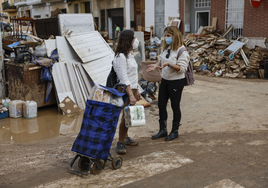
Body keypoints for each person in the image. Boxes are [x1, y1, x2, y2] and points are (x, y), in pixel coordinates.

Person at [146, 26, 190, 141]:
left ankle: (174, 131)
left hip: (176, 81)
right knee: (161, 105)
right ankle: (163, 130)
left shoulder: (182, 50)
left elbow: (182, 68)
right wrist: (156, 65)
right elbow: (162, 60)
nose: (166, 38)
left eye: (169, 36)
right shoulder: (166, 48)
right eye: (165, 36)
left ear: (175, 36)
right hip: (165, 80)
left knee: (175, 106)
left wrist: (170, 65)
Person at [113, 30, 141, 154]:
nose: (136, 41)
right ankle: (120, 142)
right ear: (128, 40)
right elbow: (123, 78)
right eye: (134, 38)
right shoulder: (120, 57)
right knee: (125, 116)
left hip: (133, 88)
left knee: (129, 116)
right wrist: (130, 94)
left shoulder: (129, 55)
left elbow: (133, 75)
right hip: (125, 90)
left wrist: (138, 90)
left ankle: (126, 137)